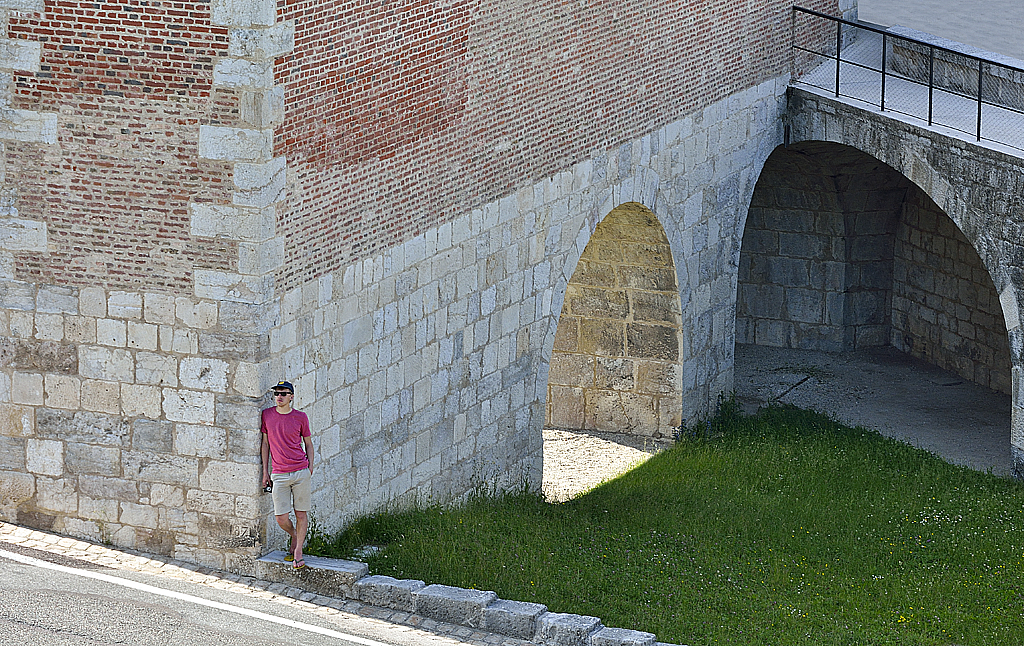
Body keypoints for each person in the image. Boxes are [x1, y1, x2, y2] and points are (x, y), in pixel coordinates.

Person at [260, 380, 315, 570]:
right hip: (279, 474)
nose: (279, 397)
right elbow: (265, 444)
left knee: (301, 513)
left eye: (283, 394)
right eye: (276, 394)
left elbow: (308, 443)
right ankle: (294, 534)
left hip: (300, 471)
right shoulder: (267, 415)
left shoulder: (300, 417)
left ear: (291, 397)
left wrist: (310, 467)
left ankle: (298, 551)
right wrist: (266, 472)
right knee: (281, 517)